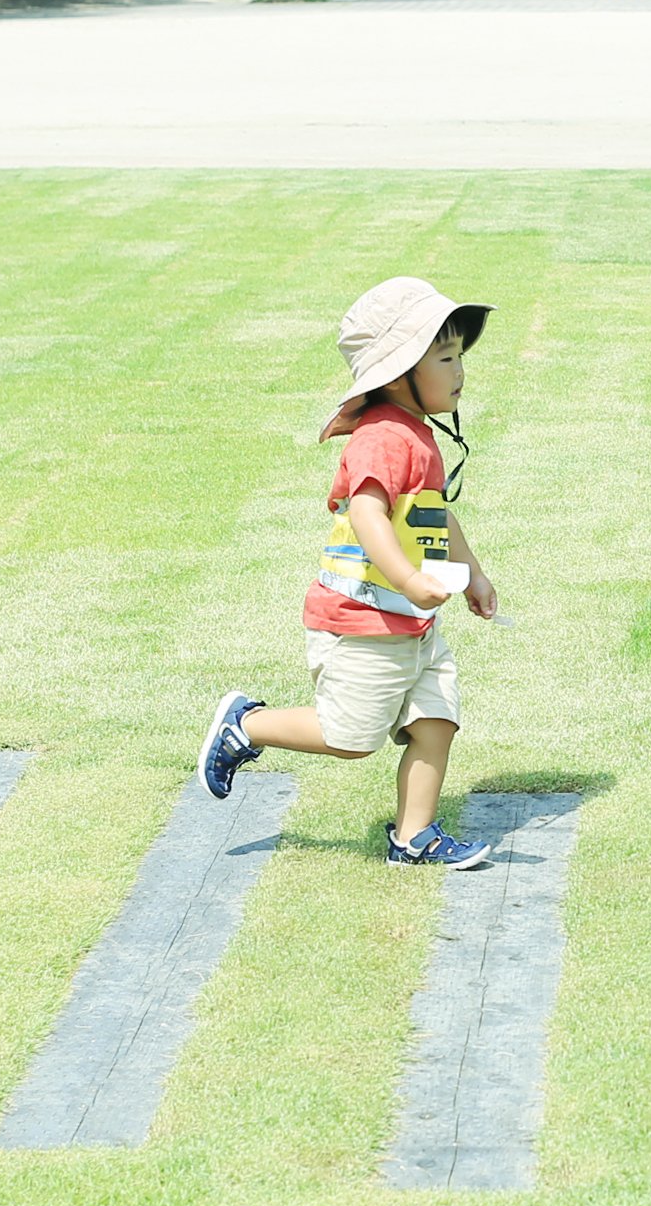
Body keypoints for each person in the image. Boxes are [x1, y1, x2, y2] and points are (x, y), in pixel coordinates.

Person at [198, 277, 506, 869]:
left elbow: (435, 515)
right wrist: (411, 581)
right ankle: (248, 725)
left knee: (436, 722)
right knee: (350, 739)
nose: (460, 370)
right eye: (445, 358)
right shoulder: (382, 438)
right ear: (398, 374)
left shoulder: (417, 435)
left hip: (411, 624)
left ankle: (414, 838)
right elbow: (367, 515)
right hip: (363, 623)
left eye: (458, 355)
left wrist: (473, 574)